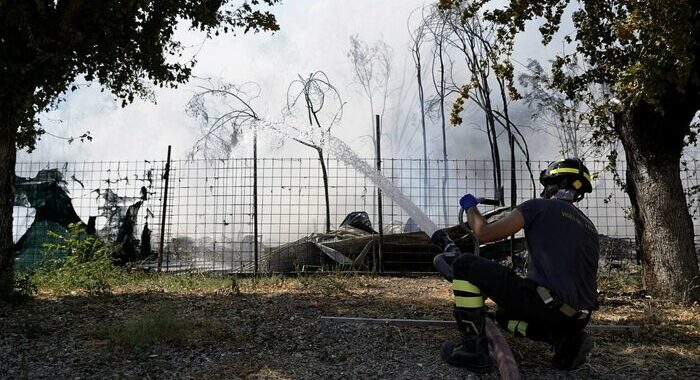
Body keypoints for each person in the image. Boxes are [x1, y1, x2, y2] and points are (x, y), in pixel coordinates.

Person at [435, 158, 599, 374]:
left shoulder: (538, 207)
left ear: (553, 185)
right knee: (503, 316)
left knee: (464, 264)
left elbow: (484, 232)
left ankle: (473, 350)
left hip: (545, 306)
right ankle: (566, 341)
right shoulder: (590, 228)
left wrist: (470, 207)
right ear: (577, 192)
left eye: (548, 184)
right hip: (577, 319)